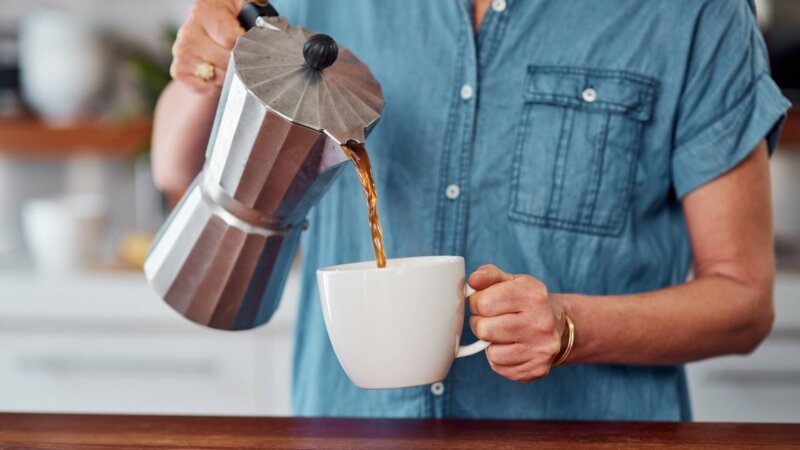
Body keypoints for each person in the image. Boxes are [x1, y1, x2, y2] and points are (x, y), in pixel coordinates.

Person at [152, 0, 791, 420]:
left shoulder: (693, 16)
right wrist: (199, 73)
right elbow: (177, 170)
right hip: (348, 428)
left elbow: (742, 301)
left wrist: (569, 326)